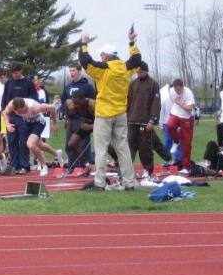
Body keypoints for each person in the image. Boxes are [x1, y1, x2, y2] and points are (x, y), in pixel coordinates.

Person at [78, 29, 140, 191]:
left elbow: (85, 61)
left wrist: (84, 43)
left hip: (104, 113)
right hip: (120, 113)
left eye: (102, 55)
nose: (100, 58)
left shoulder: (104, 69)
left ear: (106, 56)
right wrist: (131, 43)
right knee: (123, 148)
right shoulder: (126, 68)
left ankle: (99, 182)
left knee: (101, 149)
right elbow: (136, 59)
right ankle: (129, 182)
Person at [2, 97, 59, 177]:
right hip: (27, 122)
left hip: (39, 122)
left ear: (25, 106)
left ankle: (43, 165)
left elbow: (52, 108)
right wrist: (7, 125)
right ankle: (57, 154)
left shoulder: (35, 107)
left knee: (30, 144)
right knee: (40, 145)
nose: (21, 113)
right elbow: (5, 113)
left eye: (22, 111)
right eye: (18, 112)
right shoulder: (12, 104)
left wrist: (55, 123)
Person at [0, 62, 38, 175]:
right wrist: (4, 113)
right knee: (11, 141)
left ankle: (24, 165)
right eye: (13, 73)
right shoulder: (9, 83)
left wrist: (28, 112)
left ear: (21, 71)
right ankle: (14, 165)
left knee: (23, 142)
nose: (14, 75)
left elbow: (34, 99)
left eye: (16, 73)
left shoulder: (28, 83)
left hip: (24, 117)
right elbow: (4, 99)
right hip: (10, 117)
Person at [126, 62, 163, 178]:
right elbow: (128, 102)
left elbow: (156, 104)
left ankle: (148, 170)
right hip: (131, 121)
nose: (138, 73)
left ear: (146, 71)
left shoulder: (153, 84)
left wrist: (152, 120)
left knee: (145, 147)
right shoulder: (132, 84)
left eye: (141, 72)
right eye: (137, 72)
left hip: (145, 121)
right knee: (129, 147)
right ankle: (127, 170)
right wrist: (126, 117)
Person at [61, 62, 96, 169]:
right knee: (69, 144)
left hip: (83, 120)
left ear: (79, 71)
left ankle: (84, 166)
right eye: (70, 71)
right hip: (71, 120)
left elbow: (94, 103)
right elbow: (64, 102)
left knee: (83, 144)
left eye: (73, 70)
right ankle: (72, 165)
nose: (71, 73)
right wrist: (65, 117)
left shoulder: (88, 87)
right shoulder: (68, 87)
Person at [166, 78, 196, 171]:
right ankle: (176, 140)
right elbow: (173, 101)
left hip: (187, 117)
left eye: (179, 89)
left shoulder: (188, 93)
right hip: (175, 113)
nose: (177, 91)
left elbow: (190, 109)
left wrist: (181, 104)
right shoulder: (171, 91)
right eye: (176, 89)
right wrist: (178, 104)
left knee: (186, 143)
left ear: (182, 87)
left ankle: (186, 166)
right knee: (170, 125)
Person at [64, 91, 95, 175]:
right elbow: (66, 104)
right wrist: (66, 119)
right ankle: (86, 165)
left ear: (83, 100)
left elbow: (104, 120)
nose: (76, 105)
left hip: (97, 124)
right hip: (85, 124)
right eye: (74, 104)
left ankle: (118, 161)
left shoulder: (92, 105)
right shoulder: (70, 103)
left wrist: (91, 126)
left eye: (78, 103)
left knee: (108, 145)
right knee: (71, 144)